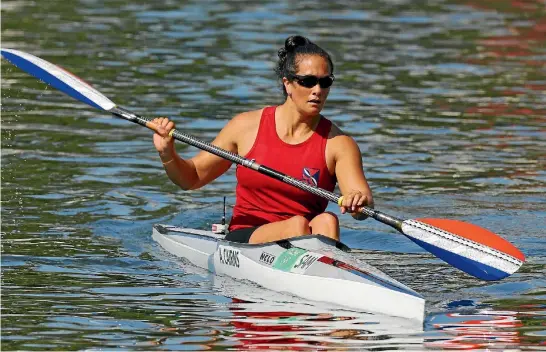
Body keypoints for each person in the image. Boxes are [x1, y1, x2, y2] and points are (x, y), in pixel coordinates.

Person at [152, 35, 373, 244]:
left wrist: (358, 203)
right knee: (297, 225)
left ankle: (328, 273)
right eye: (308, 81)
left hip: (305, 240)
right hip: (248, 237)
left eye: (325, 82)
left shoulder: (339, 143)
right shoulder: (246, 126)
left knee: (327, 220)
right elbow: (191, 178)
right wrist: (167, 154)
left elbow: (362, 202)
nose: (317, 90)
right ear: (287, 83)